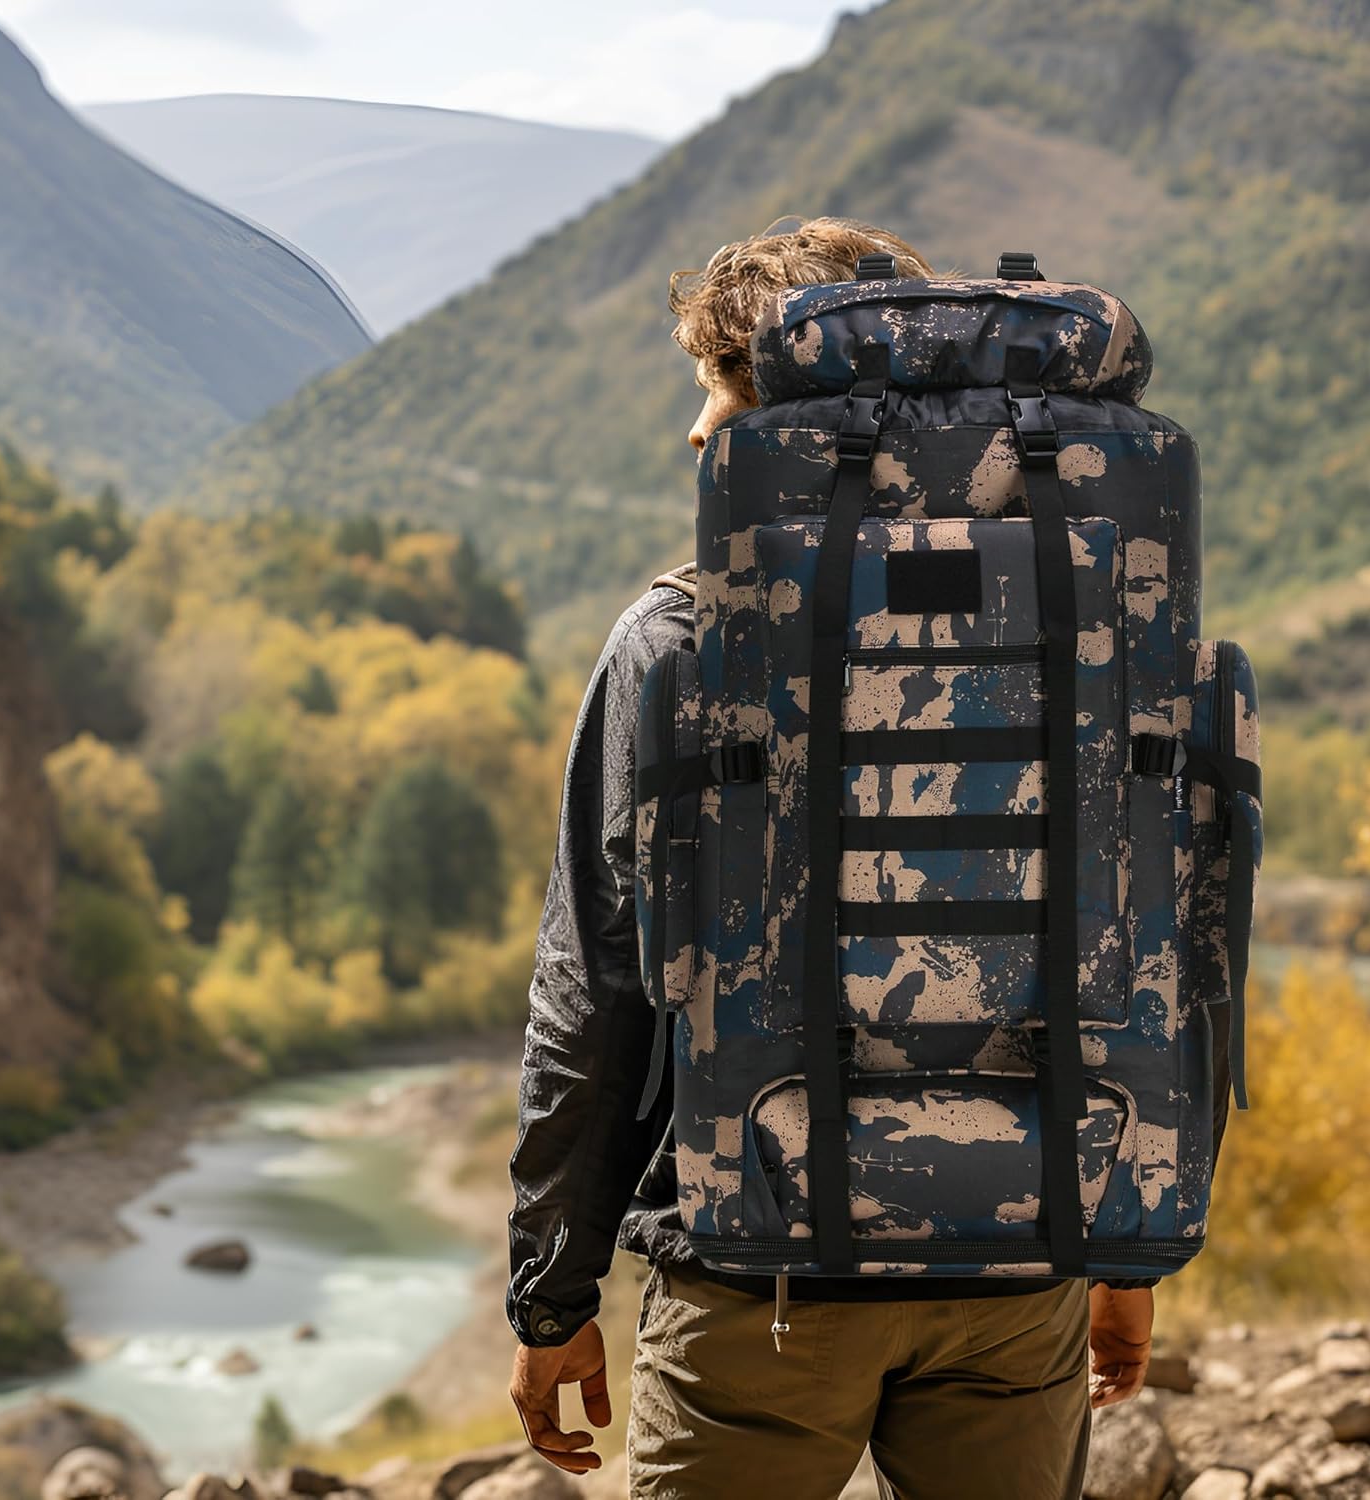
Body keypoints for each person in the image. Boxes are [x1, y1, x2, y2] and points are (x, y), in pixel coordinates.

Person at [507, 217, 1201, 1500]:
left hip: (755, 1273)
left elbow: (592, 999)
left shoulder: (677, 640)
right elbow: (1152, 925)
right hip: (1020, 1251)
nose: (697, 436)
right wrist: (1123, 1244)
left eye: (717, 397)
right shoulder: (1084, 619)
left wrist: (551, 1297)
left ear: (784, 423)